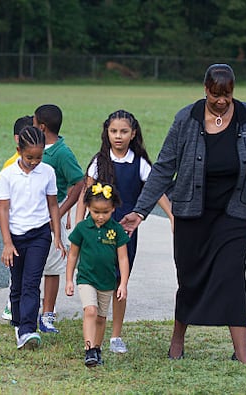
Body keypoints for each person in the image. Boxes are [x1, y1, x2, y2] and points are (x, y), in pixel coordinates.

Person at [120, 64, 246, 364]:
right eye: (215, 94)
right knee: (190, 277)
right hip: (191, 211)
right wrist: (140, 211)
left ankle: (242, 353)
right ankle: (177, 342)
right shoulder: (186, 118)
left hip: (235, 212)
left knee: (232, 275)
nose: (221, 100)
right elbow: (163, 167)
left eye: (227, 94)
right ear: (205, 89)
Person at [75, 109, 173, 354]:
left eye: (124, 131)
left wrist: (172, 216)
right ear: (106, 133)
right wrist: (79, 223)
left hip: (125, 230)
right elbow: (84, 196)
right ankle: (93, 329)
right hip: (96, 230)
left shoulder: (139, 163)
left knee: (120, 281)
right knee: (95, 279)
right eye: (113, 131)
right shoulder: (99, 161)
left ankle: (115, 336)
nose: (118, 136)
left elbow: (156, 190)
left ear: (133, 133)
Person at [0, 126, 65, 350]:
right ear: (18, 150)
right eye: (29, 157)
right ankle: (19, 323)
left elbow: (53, 205)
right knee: (17, 284)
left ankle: (28, 329)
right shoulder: (7, 174)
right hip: (15, 237)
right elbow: (4, 210)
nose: (35, 161)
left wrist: (56, 235)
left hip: (40, 235)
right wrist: (7, 243)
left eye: (39, 156)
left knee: (31, 283)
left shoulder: (47, 172)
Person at [66, 182, 130, 367]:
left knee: (101, 318)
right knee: (91, 311)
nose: (101, 216)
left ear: (113, 209)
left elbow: (123, 259)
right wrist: (69, 280)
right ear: (88, 208)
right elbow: (72, 255)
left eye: (106, 212)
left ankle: (97, 349)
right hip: (86, 279)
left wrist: (123, 284)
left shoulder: (116, 229)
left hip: (107, 282)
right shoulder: (82, 228)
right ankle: (89, 350)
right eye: (96, 212)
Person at [33, 104, 84, 333]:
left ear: (42, 127)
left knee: (52, 267)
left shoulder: (61, 152)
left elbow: (78, 182)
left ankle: (48, 314)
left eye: (34, 123)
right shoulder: (34, 148)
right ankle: (25, 308)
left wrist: (60, 212)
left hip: (52, 220)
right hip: (31, 217)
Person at [0, 115, 34, 320]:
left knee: (30, 272)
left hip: (33, 225)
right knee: (16, 270)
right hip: (15, 225)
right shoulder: (11, 164)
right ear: (18, 140)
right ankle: (11, 305)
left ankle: (24, 306)